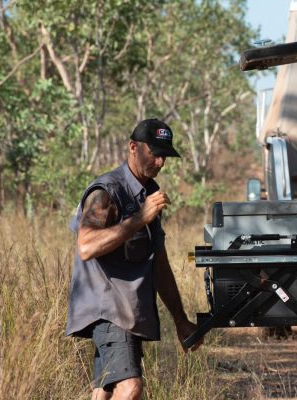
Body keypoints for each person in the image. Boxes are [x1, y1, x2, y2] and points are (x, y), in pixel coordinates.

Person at [65, 119, 203, 400]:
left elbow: (159, 262)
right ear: (132, 147)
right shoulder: (106, 190)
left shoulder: (150, 193)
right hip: (109, 310)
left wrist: (180, 319)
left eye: (165, 155)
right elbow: (86, 246)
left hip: (128, 312)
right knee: (130, 389)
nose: (161, 162)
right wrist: (139, 219)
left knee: (103, 392)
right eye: (154, 153)